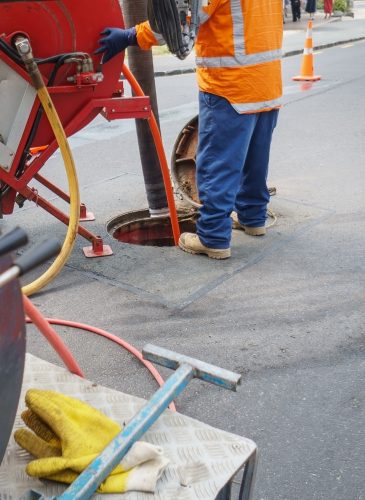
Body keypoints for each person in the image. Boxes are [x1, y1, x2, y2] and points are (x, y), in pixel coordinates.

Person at [96, 1, 283, 259]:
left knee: (217, 164)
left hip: (230, 86)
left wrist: (131, 36)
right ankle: (253, 218)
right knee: (255, 158)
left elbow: (181, 22)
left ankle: (213, 237)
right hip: (267, 85)